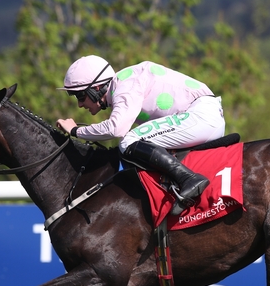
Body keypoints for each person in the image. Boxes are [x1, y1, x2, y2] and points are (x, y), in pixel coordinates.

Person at [56, 55, 226, 215]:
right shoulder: (124, 84)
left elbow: (116, 129)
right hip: (201, 116)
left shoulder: (125, 85)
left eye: (80, 95)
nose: (79, 104)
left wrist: (75, 131)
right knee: (133, 141)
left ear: (97, 88)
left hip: (202, 116)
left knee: (128, 140)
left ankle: (189, 179)